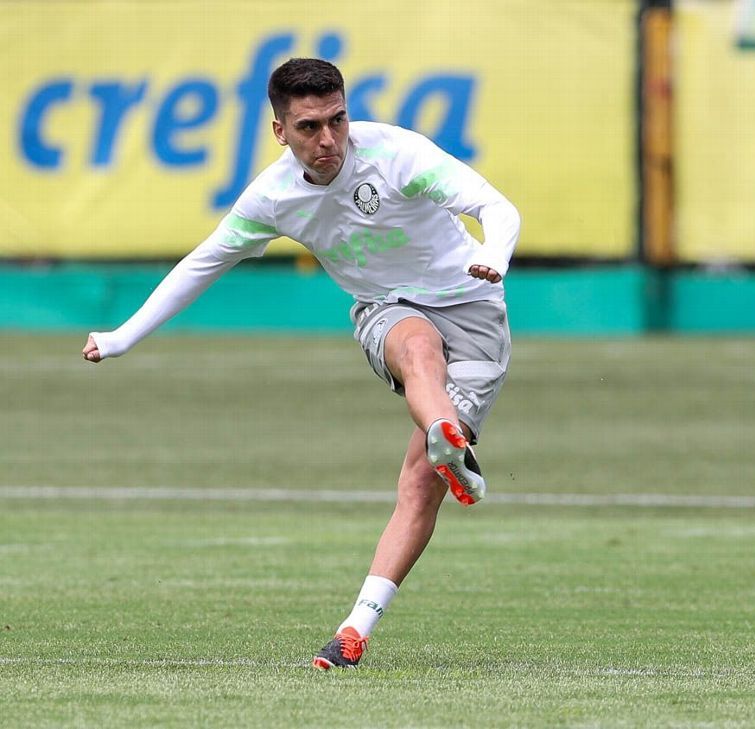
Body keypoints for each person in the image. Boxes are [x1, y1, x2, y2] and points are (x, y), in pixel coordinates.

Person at [80, 58, 520, 670]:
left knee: (419, 485)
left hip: (475, 312)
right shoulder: (273, 197)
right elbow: (204, 263)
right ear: (280, 130)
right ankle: (445, 447)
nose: (329, 140)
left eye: (338, 120)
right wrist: (124, 335)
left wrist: (495, 253)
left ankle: (360, 618)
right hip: (387, 310)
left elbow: (497, 207)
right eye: (310, 127)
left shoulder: (396, 153)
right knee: (416, 347)